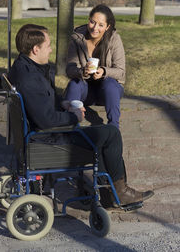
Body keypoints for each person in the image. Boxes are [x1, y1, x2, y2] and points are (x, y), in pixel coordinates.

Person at [8, 24, 153, 206]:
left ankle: (109, 192)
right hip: (48, 140)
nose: (51, 49)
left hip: (43, 135)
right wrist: (74, 117)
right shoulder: (31, 79)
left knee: (101, 135)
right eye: (48, 45)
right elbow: (46, 120)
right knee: (110, 134)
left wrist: (63, 102)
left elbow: (42, 101)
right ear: (35, 49)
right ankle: (120, 192)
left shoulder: (25, 67)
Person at [63, 4, 125, 128]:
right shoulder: (77, 38)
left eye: (101, 25)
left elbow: (121, 71)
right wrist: (82, 72)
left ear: (107, 27)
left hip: (107, 92)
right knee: (74, 83)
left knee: (110, 83)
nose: (95, 28)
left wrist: (103, 71)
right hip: (86, 92)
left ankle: (113, 127)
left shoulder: (114, 39)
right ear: (88, 20)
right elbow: (70, 69)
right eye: (92, 22)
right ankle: (69, 125)